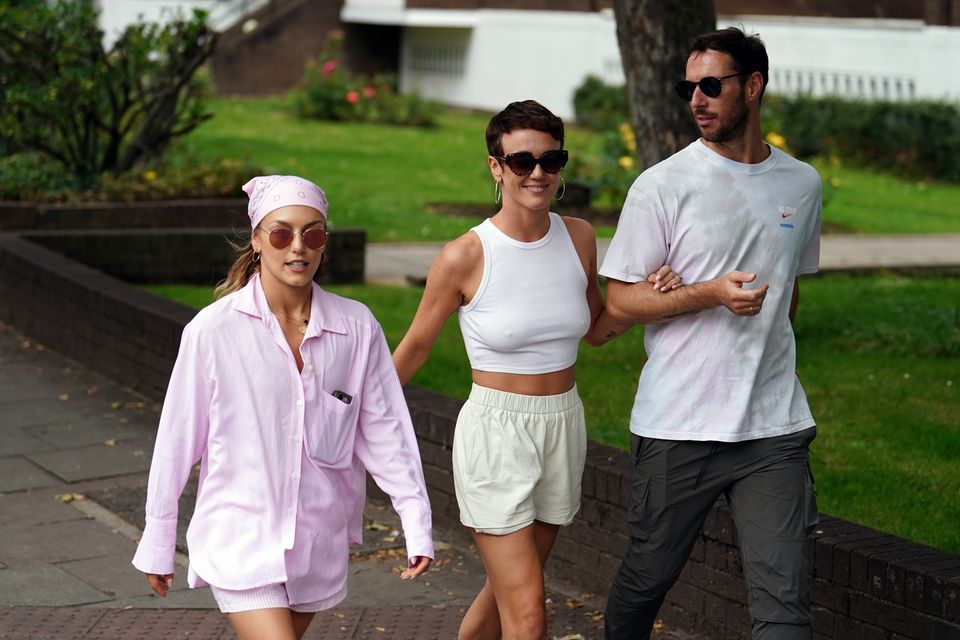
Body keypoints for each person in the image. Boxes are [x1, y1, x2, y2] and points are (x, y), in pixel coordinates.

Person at [392, 100, 680, 640]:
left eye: (552, 160)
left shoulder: (579, 237)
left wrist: (648, 297)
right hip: (495, 434)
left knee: (506, 598)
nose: (539, 173)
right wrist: (347, 411)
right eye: (522, 162)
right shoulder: (465, 255)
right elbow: (414, 349)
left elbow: (596, 328)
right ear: (495, 167)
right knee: (528, 614)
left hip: (562, 425)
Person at [132, 175, 434, 640]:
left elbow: (386, 430)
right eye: (281, 233)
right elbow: (175, 441)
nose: (298, 247)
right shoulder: (213, 332)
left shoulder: (357, 328)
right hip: (240, 535)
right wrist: (158, 540)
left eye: (312, 234)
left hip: (317, 542)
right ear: (256, 240)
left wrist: (416, 523)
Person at [600, 27, 822, 640]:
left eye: (710, 85)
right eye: (687, 87)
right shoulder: (663, 185)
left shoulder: (801, 185)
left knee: (784, 608)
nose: (695, 99)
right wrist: (708, 294)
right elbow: (617, 300)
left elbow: (790, 287)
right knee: (647, 578)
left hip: (772, 429)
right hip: (678, 423)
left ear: (752, 87)